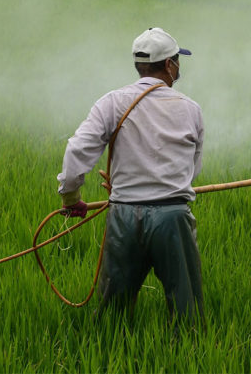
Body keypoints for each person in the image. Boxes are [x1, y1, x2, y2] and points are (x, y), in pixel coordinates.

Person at [56, 27, 204, 324]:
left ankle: (109, 353)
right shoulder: (190, 109)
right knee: (187, 310)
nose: (178, 67)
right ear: (168, 65)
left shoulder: (111, 102)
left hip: (123, 215)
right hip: (172, 216)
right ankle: (189, 355)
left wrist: (72, 198)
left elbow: (77, 150)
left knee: (114, 313)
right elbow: (192, 168)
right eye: (177, 61)